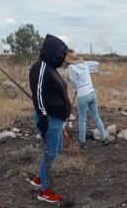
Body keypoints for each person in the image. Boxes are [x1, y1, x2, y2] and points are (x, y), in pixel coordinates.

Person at [29, 34, 71, 203]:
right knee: (51, 152)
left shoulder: (49, 68)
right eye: (61, 54)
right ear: (53, 52)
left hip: (56, 119)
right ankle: (46, 191)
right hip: (50, 119)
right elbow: (37, 94)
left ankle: (39, 178)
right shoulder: (41, 68)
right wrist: (43, 116)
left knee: (56, 149)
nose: (62, 58)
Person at [65, 50, 109, 147]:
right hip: (92, 93)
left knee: (82, 118)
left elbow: (73, 81)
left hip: (82, 95)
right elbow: (96, 63)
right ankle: (104, 137)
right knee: (96, 117)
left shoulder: (71, 67)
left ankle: (81, 141)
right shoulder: (85, 64)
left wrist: (77, 88)